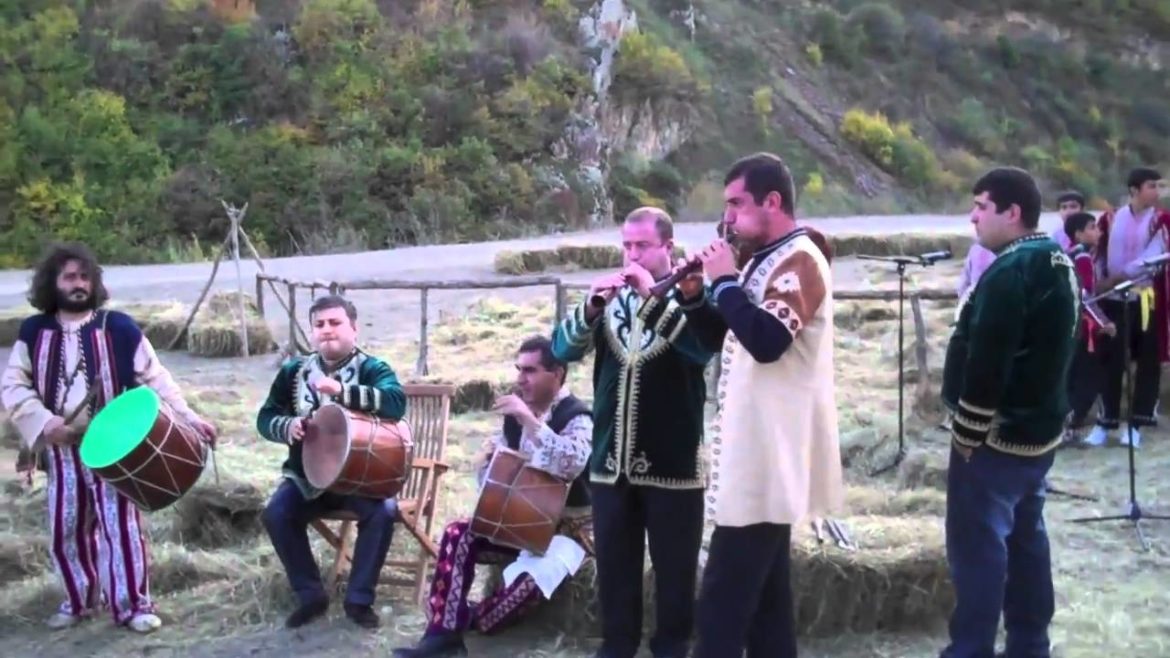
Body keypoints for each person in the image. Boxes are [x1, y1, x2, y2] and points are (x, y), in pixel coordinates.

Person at [668, 152, 843, 658]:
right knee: (767, 605)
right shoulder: (765, 260)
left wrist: (724, 281)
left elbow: (767, 341)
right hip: (756, 447)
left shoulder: (801, 260)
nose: (728, 219)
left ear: (772, 202)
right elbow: (725, 338)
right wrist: (697, 295)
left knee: (724, 598)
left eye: (736, 204)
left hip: (771, 452)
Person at [0, 242, 217, 633]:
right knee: (66, 527)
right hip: (64, 450)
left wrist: (189, 418)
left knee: (121, 526)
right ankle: (80, 600)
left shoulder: (119, 327)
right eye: (70, 277)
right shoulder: (34, 332)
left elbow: (156, 380)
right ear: (54, 282)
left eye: (85, 277)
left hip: (117, 448)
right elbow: (13, 385)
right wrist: (46, 423)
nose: (79, 284)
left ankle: (133, 606)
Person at [551, 206, 715, 658]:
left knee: (675, 573)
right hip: (608, 464)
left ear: (668, 246)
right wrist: (588, 309)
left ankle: (671, 649)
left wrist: (654, 299)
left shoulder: (694, 297)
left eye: (642, 245)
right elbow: (560, 349)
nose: (632, 254)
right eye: (626, 245)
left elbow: (701, 351)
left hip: (673, 466)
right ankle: (617, 648)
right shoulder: (611, 299)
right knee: (616, 572)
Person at [940, 167, 1078, 658]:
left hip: (997, 440)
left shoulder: (1011, 271)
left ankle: (971, 649)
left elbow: (987, 362)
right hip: (1037, 436)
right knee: (1026, 546)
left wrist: (968, 432)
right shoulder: (1057, 259)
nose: (972, 217)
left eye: (981, 206)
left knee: (979, 555)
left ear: (1012, 212)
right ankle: (1029, 644)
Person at [391, 335, 593, 658]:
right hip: (520, 522)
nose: (520, 379)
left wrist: (529, 420)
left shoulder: (577, 416)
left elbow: (571, 463)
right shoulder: (513, 416)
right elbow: (497, 480)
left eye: (530, 370)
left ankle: (470, 617)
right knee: (458, 533)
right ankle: (442, 636)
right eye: (518, 369)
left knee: (524, 590)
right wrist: (487, 465)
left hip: (567, 530)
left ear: (557, 374)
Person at [256, 294, 405, 629]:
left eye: (335, 323)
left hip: (360, 477)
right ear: (311, 332)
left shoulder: (372, 367)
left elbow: (395, 403)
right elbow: (265, 417)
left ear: (354, 328)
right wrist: (288, 426)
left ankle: (358, 601)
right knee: (276, 513)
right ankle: (310, 594)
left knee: (382, 512)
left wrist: (339, 390)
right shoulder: (294, 371)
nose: (327, 330)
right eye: (319, 325)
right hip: (308, 477)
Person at [1086, 167, 1168, 448]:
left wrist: (1117, 278)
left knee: (1147, 362)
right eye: (1151, 186)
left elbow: (1153, 258)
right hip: (1112, 300)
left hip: (1144, 299)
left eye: (1157, 186)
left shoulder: (1160, 221)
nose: (1156, 192)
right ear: (1134, 190)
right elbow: (1097, 251)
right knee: (1110, 360)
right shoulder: (1110, 219)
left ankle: (1137, 425)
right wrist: (1098, 281)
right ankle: (1104, 421)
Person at [1061, 212, 1114, 445]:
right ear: (1078, 234)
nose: (1098, 232)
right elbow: (1084, 296)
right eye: (1092, 227)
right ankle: (1068, 425)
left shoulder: (1070, 254)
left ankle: (1067, 430)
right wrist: (1105, 323)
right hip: (1082, 328)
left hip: (1070, 326)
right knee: (1087, 379)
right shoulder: (1081, 257)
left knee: (1072, 378)